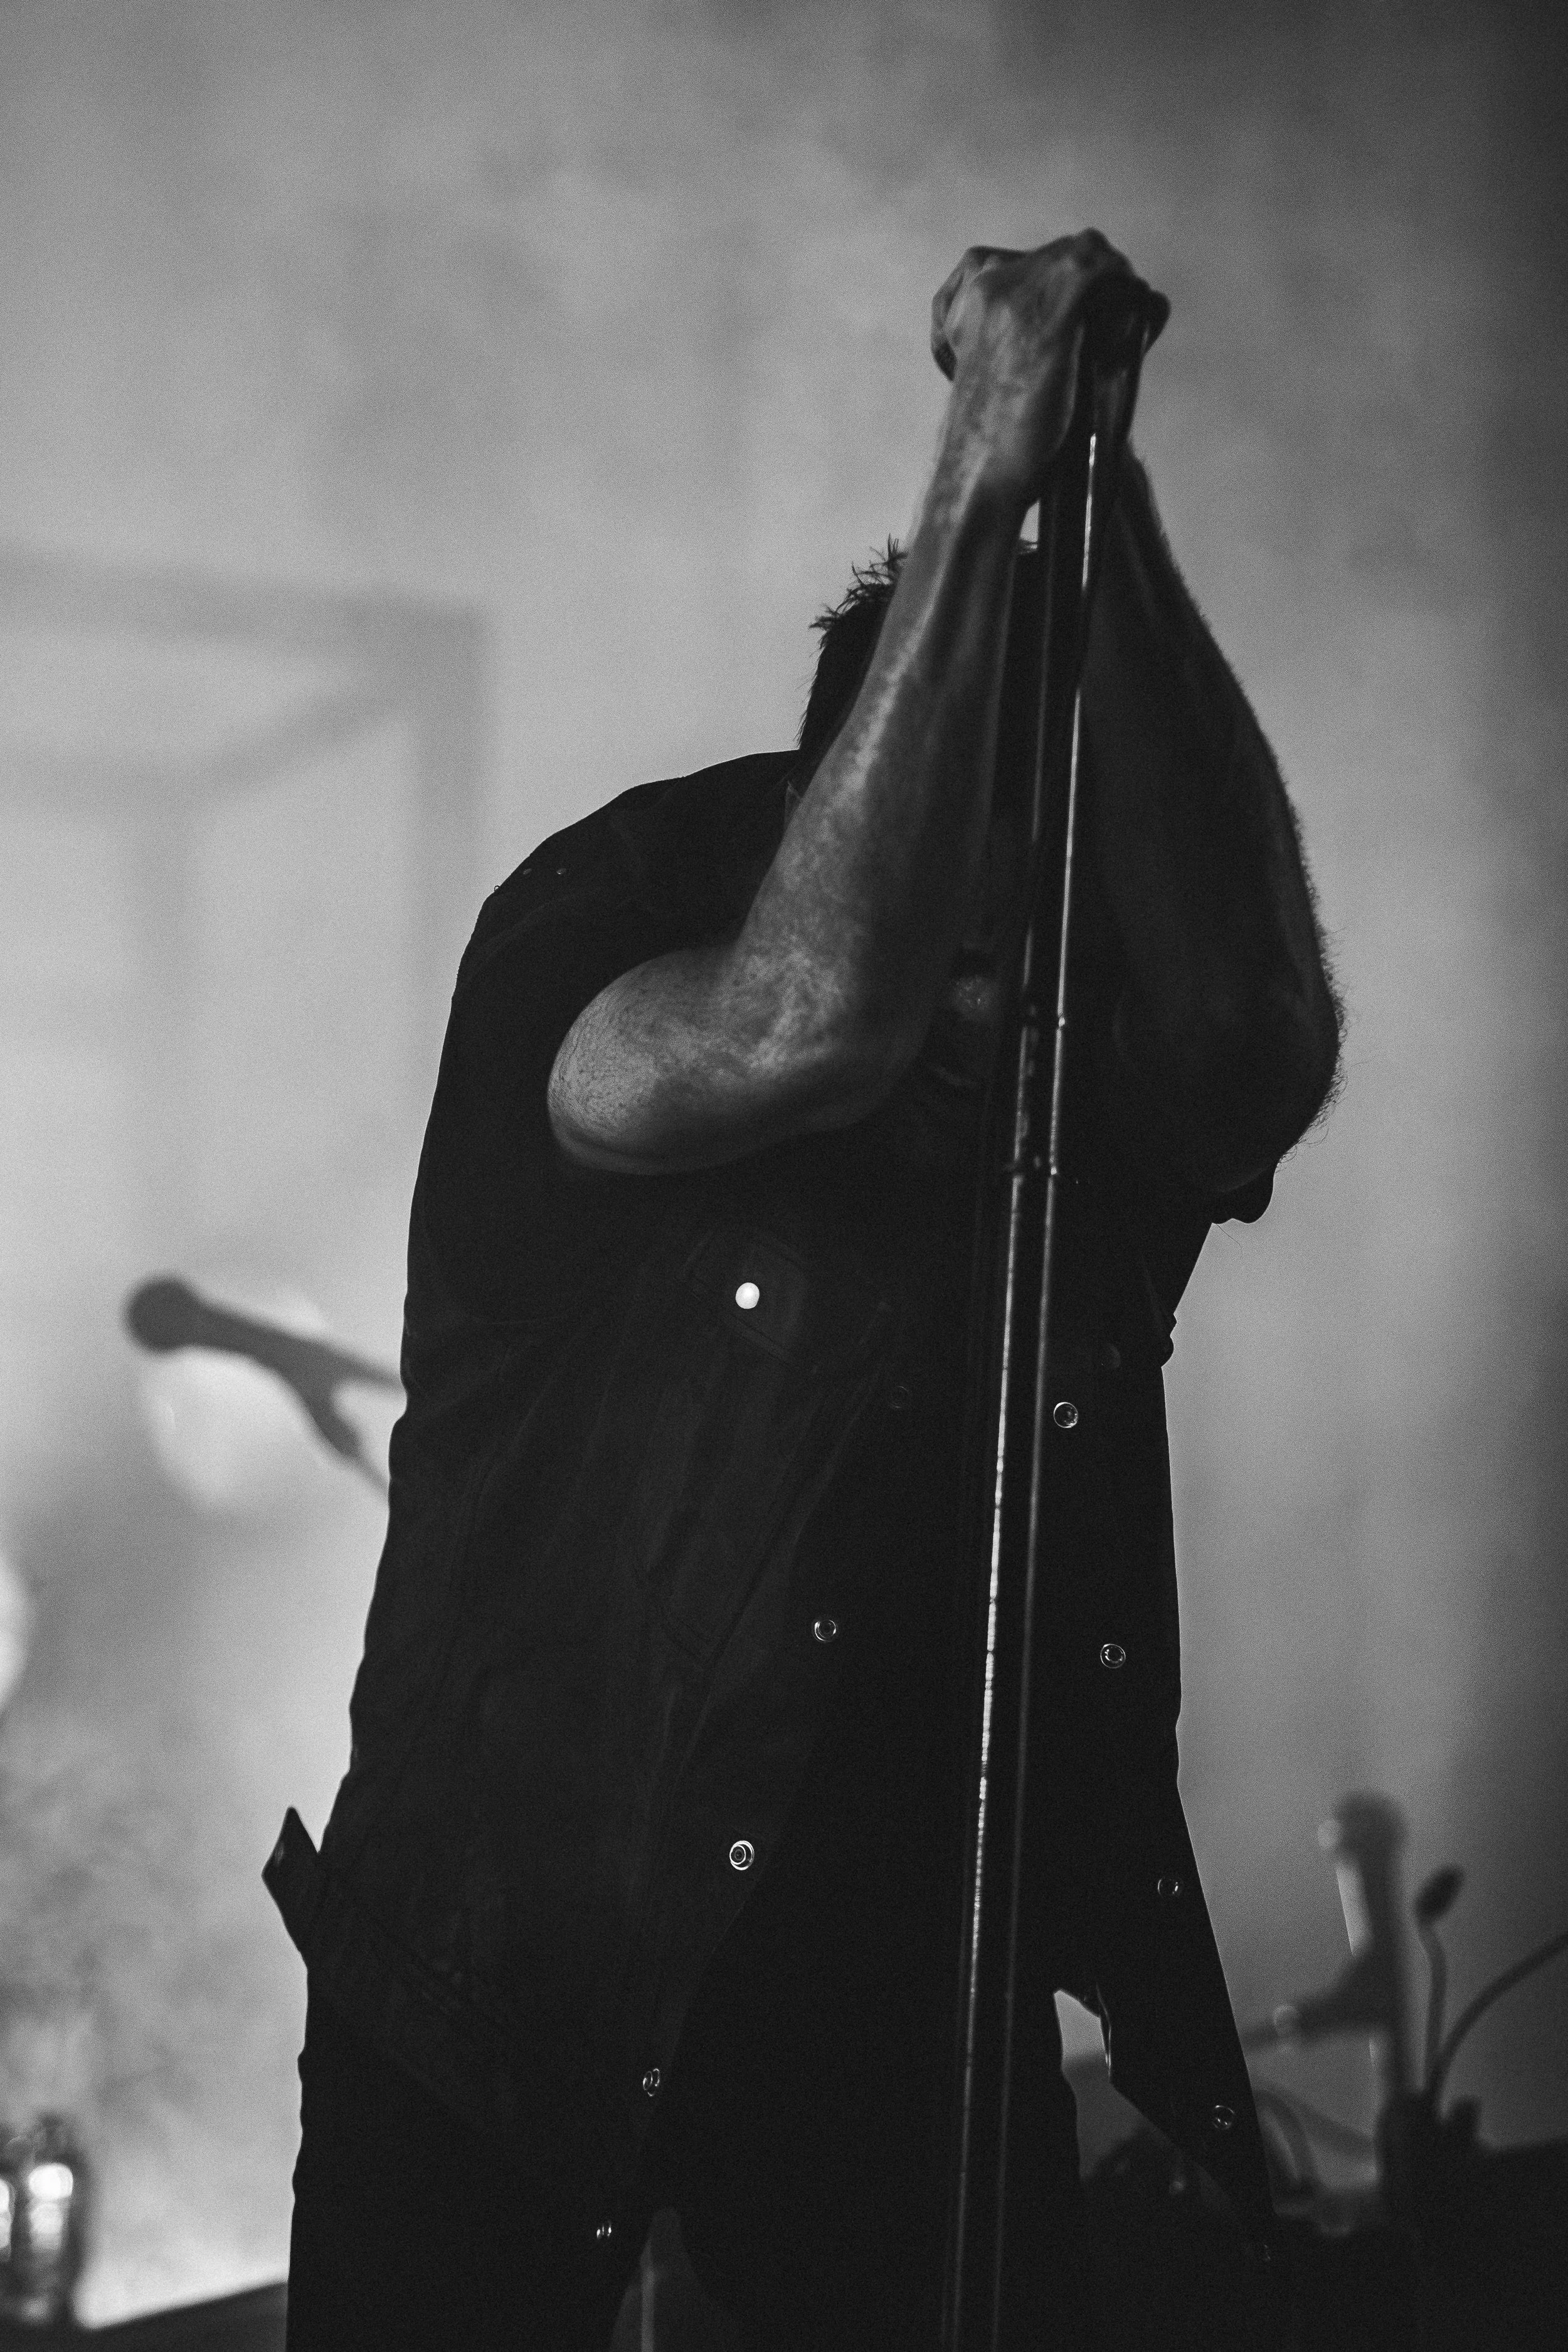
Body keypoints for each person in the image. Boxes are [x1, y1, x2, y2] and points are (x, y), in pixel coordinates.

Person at [267, 233, 1341, 2349]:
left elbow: (1258, 1045)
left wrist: (1093, 498)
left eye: (1038, 929)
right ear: (828, 816)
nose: (996, 988)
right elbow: (807, 1021)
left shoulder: (1090, 1034)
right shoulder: (615, 917)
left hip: (891, 1985)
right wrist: (987, 452)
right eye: (958, 913)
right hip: (507, 1957)